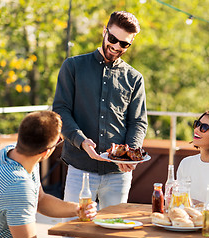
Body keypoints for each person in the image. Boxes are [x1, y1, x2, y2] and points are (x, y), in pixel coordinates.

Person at [52, 11, 147, 211]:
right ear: (104, 32)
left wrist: (129, 154)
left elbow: (138, 122)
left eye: (124, 44)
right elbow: (61, 110)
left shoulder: (135, 78)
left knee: (113, 230)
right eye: (112, 39)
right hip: (80, 168)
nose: (116, 46)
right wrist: (81, 141)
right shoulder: (73, 66)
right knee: (72, 230)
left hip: (118, 175)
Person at [0, 111, 97, 238]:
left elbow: (40, 200)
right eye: (59, 141)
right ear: (46, 153)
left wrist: (78, 209)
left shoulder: (9, 152)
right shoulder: (18, 186)